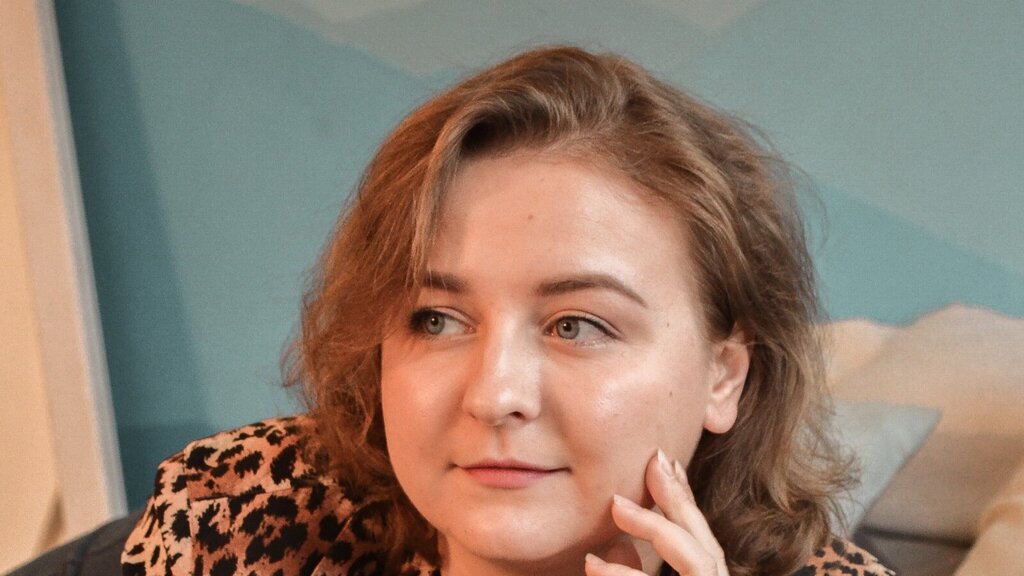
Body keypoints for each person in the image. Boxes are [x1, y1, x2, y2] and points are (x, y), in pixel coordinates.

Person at [121, 46, 892, 576]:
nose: (494, 395)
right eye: (436, 319)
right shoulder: (230, 522)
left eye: (577, 325)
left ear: (724, 376)